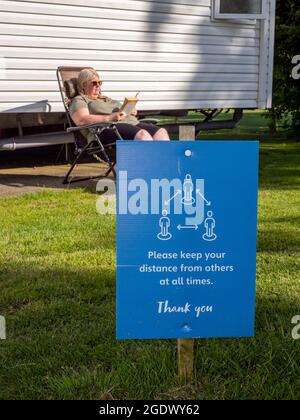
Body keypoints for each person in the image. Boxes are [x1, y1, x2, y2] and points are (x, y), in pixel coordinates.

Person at [69, 68, 170, 144]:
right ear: (84, 85)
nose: (98, 85)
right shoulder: (80, 99)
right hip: (106, 129)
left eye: (99, 82)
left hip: (130, 123)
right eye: (94, 83)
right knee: (143, 135)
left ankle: (163, 168)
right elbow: (81, 119)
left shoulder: (107, 99)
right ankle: (146, 170)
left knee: (161, 132)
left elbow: (122, 112)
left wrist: (130, 111)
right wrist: (109, 117)